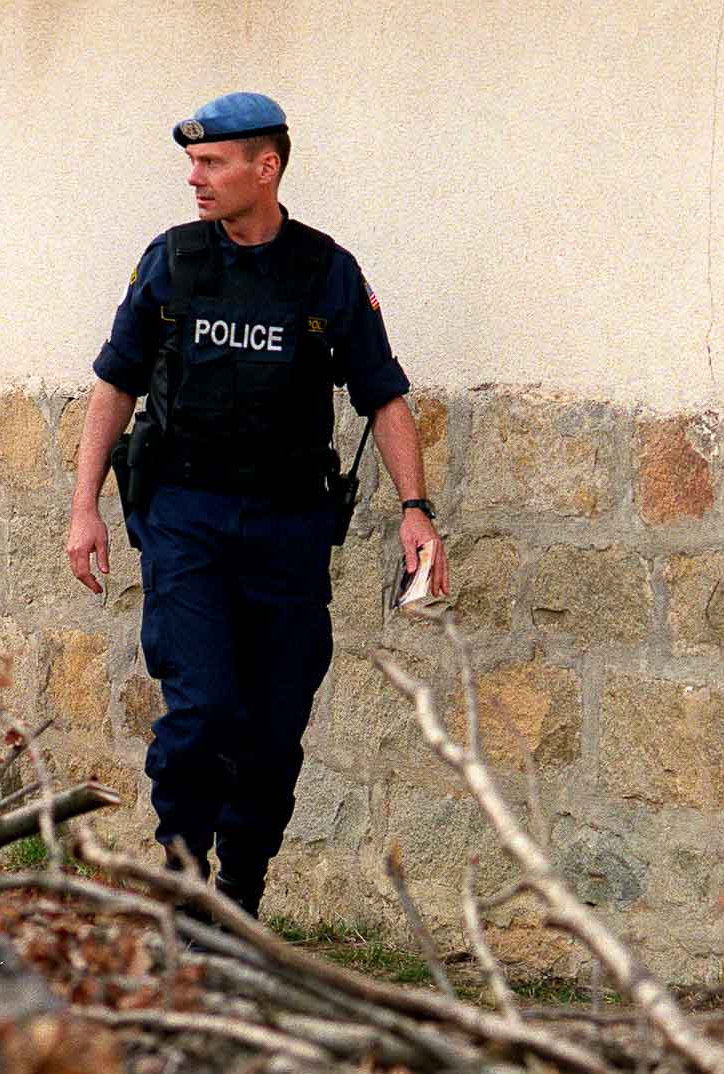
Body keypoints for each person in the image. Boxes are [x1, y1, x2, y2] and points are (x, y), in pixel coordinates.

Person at [65, 91, 449, 913]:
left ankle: (239, 894)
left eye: (211, 164)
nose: (194, 179)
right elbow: (114, 385)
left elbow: (383, 396)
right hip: (186, 518)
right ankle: (182, 881)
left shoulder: (326, 272)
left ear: (263, 167)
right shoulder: (171, 261)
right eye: (192, 164)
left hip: (287, 528)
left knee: (273, 731)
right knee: (202, 710)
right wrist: (84, 507)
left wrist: (416, 509)